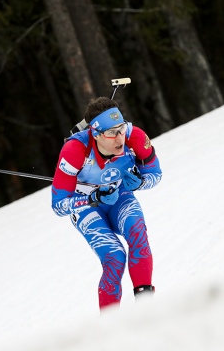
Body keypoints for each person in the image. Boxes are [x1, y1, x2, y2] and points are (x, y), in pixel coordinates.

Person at [51, 97, 162, 310]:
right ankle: (109, 328)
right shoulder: (75, 150)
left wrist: (140, 182)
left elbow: (156, 174)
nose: (119, 138)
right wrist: (92, 198)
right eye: (111, 133)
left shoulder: (135, 137)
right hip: (87, 209)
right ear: (95, 133)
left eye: (121, 128)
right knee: (115, 257)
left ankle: (146, 308)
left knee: (137, 233)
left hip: (119, 197)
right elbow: (58, 205)